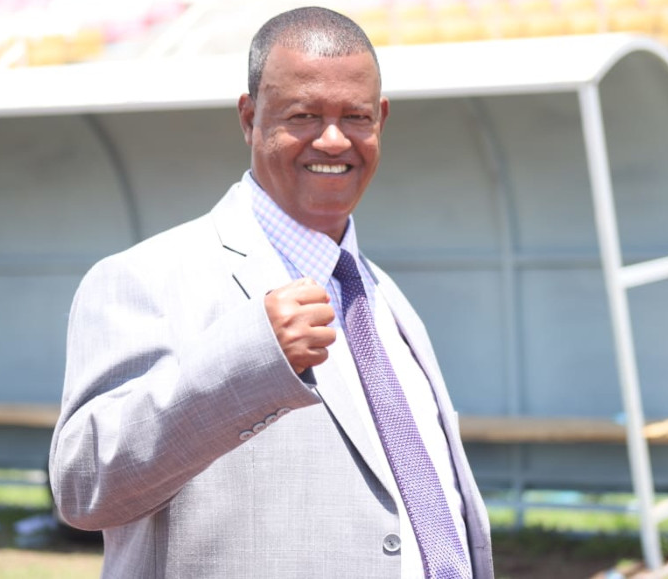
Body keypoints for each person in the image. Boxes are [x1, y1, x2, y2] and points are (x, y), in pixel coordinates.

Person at [50, 7, 493, 578]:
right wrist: (253, 358)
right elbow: (83, 487)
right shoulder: (144, 279)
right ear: (249, 117)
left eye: (355, 116)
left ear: (380, 120)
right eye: (304, 115)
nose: (333, 139)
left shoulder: (383, 296)